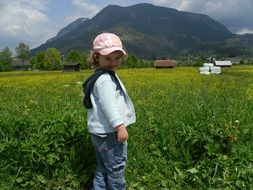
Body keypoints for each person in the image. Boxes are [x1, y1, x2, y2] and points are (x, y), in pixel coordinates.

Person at [84, 32, 136, 190]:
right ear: (96, 57)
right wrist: (119, 126)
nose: (113, 63)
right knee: (115, 170)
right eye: (108, 58)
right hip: (110, 133)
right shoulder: (105, 80)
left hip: (99, 132)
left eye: (117, 58)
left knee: (103, 167)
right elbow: (109, 106)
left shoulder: (99, 76)